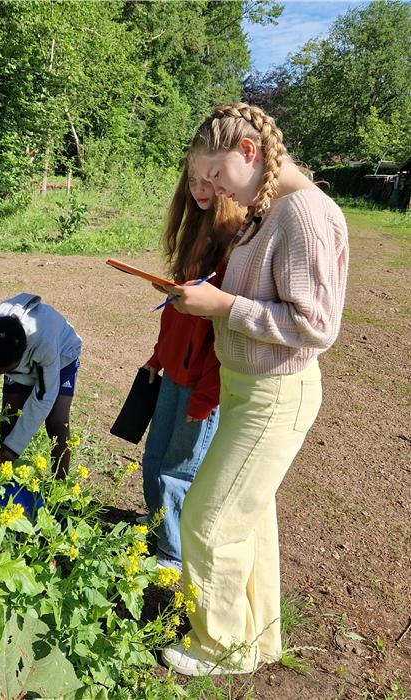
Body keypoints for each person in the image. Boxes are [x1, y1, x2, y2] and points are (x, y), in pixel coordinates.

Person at [160, 103, 349, 676]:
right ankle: (258, 638)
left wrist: (223, 306)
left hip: (274, 395)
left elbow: (317, 325)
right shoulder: (268, 210)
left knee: (207, 520)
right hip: (249, 389)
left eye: (216, 175)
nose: (212, 188)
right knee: (249, 520)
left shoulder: (306, 214)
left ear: (249, 152)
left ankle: (219, 649)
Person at [142, 164, 244, 570]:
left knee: (180, 469)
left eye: (209, 181)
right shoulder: (193, 234)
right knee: (154, 459)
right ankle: (156, 527)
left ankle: (172, 555)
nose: (199, 189)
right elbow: (176, 315)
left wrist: (206, 397)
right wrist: (158, 356)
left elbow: (225, 337)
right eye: (191, 180)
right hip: (173, 373)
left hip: (203, 384)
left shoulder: (234, 246)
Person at [0, 293, 82, 477]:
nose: (1, 375)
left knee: (57, 422)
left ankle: (60, 487)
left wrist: (13, 448)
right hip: (19, 355)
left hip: (63, 356)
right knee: (10, 416)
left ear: (23, 356)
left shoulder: (45, 342)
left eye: (6, 370)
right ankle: (4, 481)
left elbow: (44, 397)